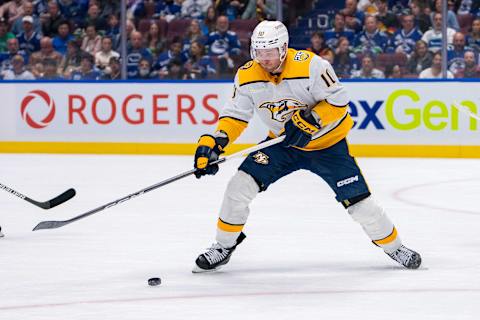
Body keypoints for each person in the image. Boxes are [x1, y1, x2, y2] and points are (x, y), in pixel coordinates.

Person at [191, 20, 422, 273]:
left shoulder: (312, 65)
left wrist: (310, 120)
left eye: (269, 53)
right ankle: (224, 246)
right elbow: (235, 115)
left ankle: (394, 247)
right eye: (259, 52)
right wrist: (216, 142)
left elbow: (339, 101)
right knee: (238, 187)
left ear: (283, 48)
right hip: (283, 143)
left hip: (328, 145)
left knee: (360, 204)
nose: (264, 59)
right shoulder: (247, 75)